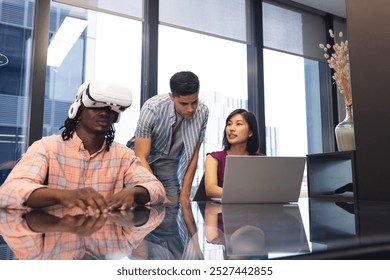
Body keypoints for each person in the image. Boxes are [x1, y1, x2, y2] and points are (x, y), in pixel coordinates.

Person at [0, 80, 165, 213]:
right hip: (57, 238)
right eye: (96, 107)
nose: (104, 113)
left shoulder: (124, 155)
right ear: (77, 111)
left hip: (104, 240)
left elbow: (156, 188)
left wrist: (135, 192)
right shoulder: (47, 148)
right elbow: (8, 192)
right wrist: (63, 196)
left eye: (110, 109)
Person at [127, 71, 209, 204]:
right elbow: (140, 156)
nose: (190, 109)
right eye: (183, 104)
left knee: (172, 210)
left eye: (194, 102)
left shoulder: (203, 112)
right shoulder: (152, 108)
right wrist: (158, 192)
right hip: (140, 162)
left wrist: (185, 195)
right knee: (141, 209)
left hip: (168, 166)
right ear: (172, 96)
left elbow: (194, 155)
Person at [204, 108, 263, 199]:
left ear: (250, 132)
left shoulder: (261, 160)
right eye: (229, 124)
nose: (231, 129)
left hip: (255, 211)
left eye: (238, 124)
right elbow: (211, 190)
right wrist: (246, 195)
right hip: (221, 211)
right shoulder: (213, 158)